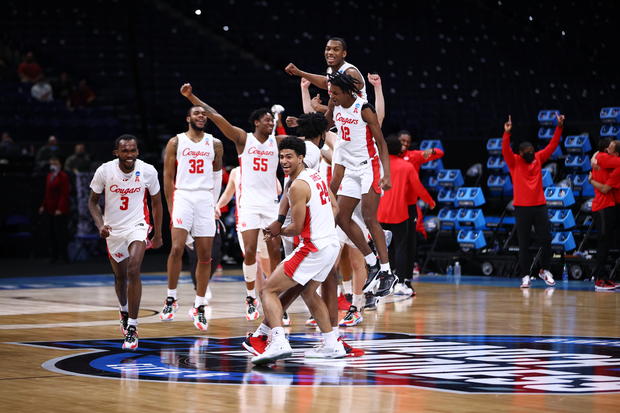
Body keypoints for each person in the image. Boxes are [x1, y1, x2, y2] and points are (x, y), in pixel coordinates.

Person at [180, 83, 284, 307]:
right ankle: (250, 297)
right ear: (256, 122)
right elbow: (215, 116)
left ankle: (275, 298)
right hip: (248, 205)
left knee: (275, 253)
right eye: (267, 119)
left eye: (272, 120)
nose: (270, 122)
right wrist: (192, 97)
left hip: (270, 206)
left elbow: (308, 140)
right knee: (248, 253)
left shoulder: (277, 143)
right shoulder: (243, 139)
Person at [251, 137, 344, 365]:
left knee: (268, 291)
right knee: (309, 293)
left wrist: (277, 231)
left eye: (289, 156)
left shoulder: (297, 186)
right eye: (281, 157)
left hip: (313, 247)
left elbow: (297, 228)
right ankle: (332, 344)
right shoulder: (316, 175)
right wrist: (322, 227)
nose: (284, 161)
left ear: (301, 158)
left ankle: (279, 341)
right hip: (330, 244)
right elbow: (335, 207)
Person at [88, 135, 163, 350]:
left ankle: (132, 327)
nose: (129, 155)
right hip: (113, 230)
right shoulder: (105, 170)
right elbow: (92, 202)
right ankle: (123, 310)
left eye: (133, 151)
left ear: (138, 152)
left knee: (133, 269)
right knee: (120, 277)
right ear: (116, 153)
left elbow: (157, 203)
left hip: (138, 226)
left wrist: (157, 234)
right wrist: (100, 224)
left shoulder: (148, 171)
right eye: (125, 151)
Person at [325, 71, 396, 297]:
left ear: (347, 92)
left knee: (368, 216)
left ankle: (387, 272)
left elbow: (381, 142)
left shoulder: (364, 108)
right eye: (330, 92)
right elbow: (323, 124)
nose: (332, 96)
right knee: (341, 217)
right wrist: (303, 121)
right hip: (350, 168)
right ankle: (372, 261)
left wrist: (388, 174)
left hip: (370, 166)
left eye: (335, 92)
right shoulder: (335, 105)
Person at [160, 96, 224, 331]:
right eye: (197, 113)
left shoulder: (215, 143)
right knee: (176, 248)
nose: (201, 116)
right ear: (188, 118)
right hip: (184, 196)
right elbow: (167, 177)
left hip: (205, 198)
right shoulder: (175, 142)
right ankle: (171, 298)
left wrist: (214, 202)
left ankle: (199, 306)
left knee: (205, 255)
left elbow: (217, 175)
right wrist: (170, 205)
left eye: (204, 114)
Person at [501, 114, 564, 288]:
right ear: (520, 153)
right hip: (522, 208)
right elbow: (505, 150)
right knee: (524, 244)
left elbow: (552, 146)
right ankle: (525, 276)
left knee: (546, 240)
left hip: (539, 206)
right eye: (526, 153)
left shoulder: (537, 158)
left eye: (531, 151)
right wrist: (507, 133)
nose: (529, 154)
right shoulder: (514, 161)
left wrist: (559, 127)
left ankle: (544, 270)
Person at [215, 166, 278, 320]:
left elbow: (278, 189)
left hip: (265, 218)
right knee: (253, 259)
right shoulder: (236, 172)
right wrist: (217, 206)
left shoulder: (265, 166)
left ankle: (273, 300)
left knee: (267, 265)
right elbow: (228, 193)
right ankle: (251, 299)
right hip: (245, 220)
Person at [378, 136, 435, 294]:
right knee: (402, 247)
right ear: (400, 150)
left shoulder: (378, 166)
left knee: (380, 248)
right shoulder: (407, 166)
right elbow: (418, 188)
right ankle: (400, 283)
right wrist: (430, 201)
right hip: (399, 213)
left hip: (379, 214)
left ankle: (380, 283)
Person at [285, 37, 367, 111]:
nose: (330, 52)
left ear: (344, 54)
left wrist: (319, 107)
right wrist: (299, 72)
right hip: (344, 123)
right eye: (328, 49)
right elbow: (326, 82)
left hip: (360, 123)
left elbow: (348, 109)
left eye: (336, 49)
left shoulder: (350, 73)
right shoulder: (330, 70)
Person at [588, 139, 620, 291]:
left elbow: (595, 156)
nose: (609, 151)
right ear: (606, 150)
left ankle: (604, 279)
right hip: (603, 207)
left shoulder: (601, 159)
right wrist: (592, 181)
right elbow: (606, 189)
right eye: (609, 148)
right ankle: (599, 280)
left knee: (606, 244)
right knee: (603, 244)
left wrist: (592, 179)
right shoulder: (604, 158)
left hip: (607, 206)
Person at [39, 156, 71, 263]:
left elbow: (64, 194)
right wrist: (43, 205)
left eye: (55, 163)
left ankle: (64, 257)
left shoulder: (63, 176)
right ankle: (54, 256)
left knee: (60, 233)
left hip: (60, 209)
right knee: (51, 233)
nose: (53, 165)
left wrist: (60, 208)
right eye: (51, 163)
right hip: (50, 208)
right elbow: (47, 192)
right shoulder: (49, 176)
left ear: (59, 165)